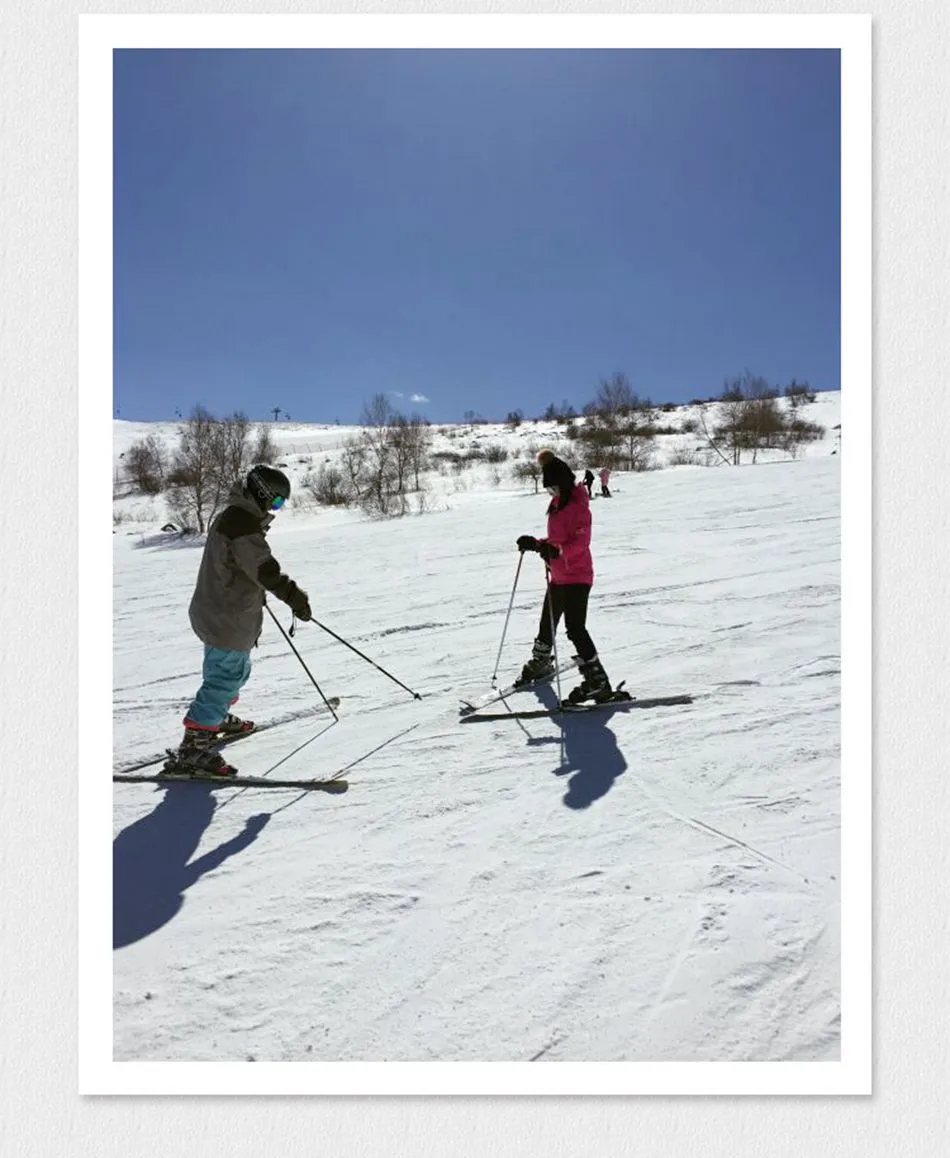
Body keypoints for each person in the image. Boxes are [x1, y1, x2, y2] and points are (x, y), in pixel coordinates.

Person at [169, 465, 312, 776]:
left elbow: (240, 567)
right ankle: (193, 748)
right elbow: (263, 568)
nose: (276, 510)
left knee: (232, 670)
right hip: (227, 615)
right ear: (261, 493)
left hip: (220, 611)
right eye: (275, 503)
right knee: (224, 677)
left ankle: (214, 717)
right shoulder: (242, 523)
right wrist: (293, 596)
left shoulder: (236, 516)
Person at [514, 449, 614, 706]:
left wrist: (556, 550)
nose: (552, 494)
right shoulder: (558, 505)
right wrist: (537, 544)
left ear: (565, 484)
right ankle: (541, 662)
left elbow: (580, 542)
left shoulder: (580, 507)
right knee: (547, 623)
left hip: (578, 576)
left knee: (575, 628)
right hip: (558, 575)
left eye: (554, 488)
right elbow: (557, 541)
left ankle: (598, 682)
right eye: (549, 490)